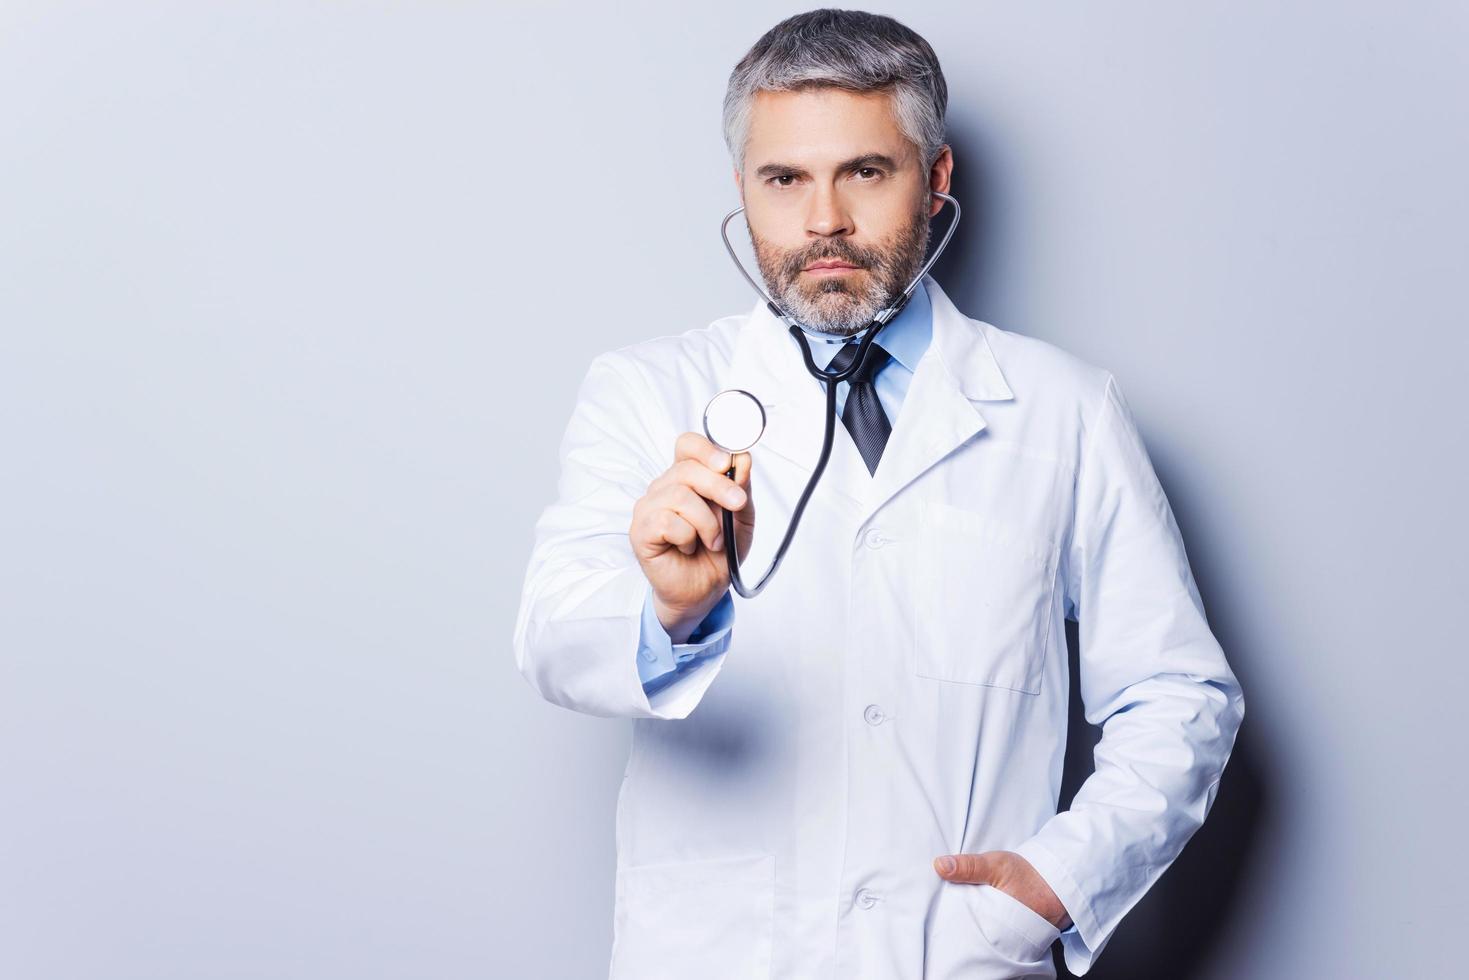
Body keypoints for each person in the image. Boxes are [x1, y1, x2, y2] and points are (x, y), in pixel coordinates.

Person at [512, 9, 1244, 979]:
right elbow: (554, 639)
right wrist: (669, 613)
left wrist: (1063, 875)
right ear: (742, 189)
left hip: (955, 954)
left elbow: (1178, 691)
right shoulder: (645, 391)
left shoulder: (1061, 409)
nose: (823, 221)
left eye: (864, 171)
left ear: (933, 179)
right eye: (784, 179)